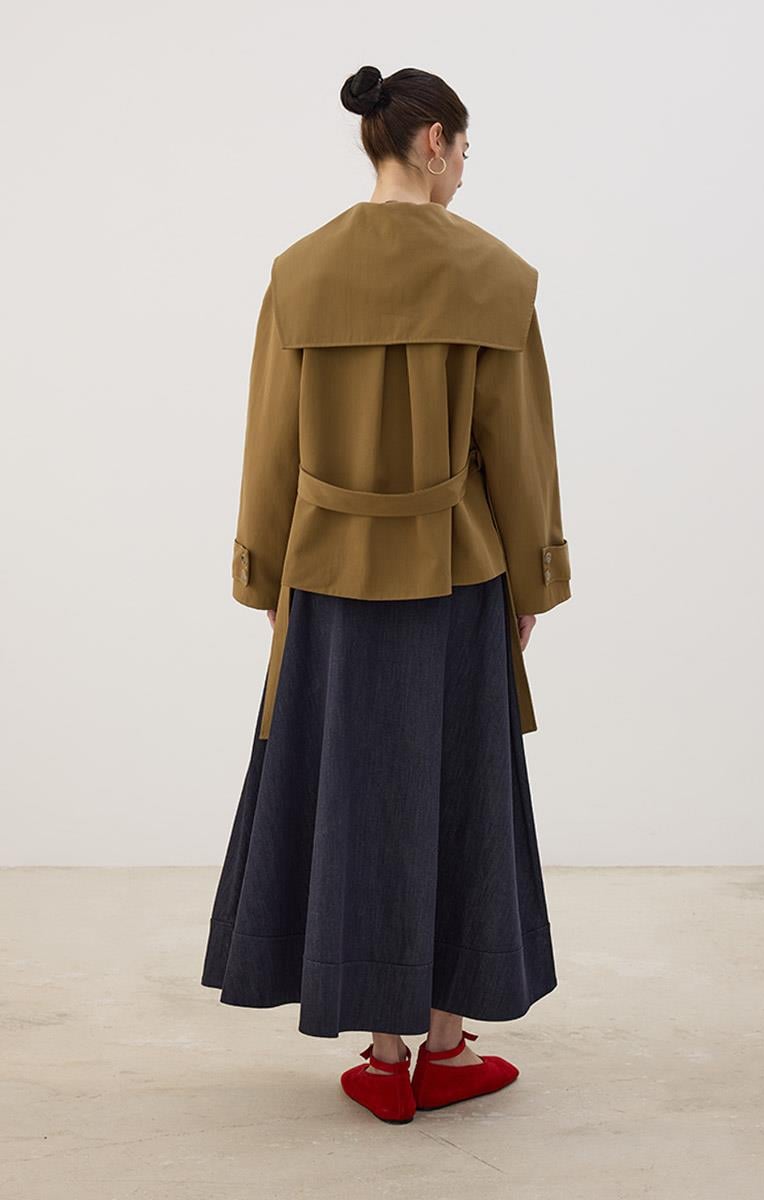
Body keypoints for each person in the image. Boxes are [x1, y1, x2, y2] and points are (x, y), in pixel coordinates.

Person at [201, 64, 573, 1125]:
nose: (463, 171)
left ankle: (379, 1056)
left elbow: (270, 441)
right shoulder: (496, 275)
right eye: (464, 150)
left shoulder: (299, 272)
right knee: (457, 791)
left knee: (353, 795)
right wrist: (532, 578)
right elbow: (519, 451)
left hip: (327, 576)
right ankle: (447, 1050)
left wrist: (264, 576)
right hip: (458, 574)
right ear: (432, 141)